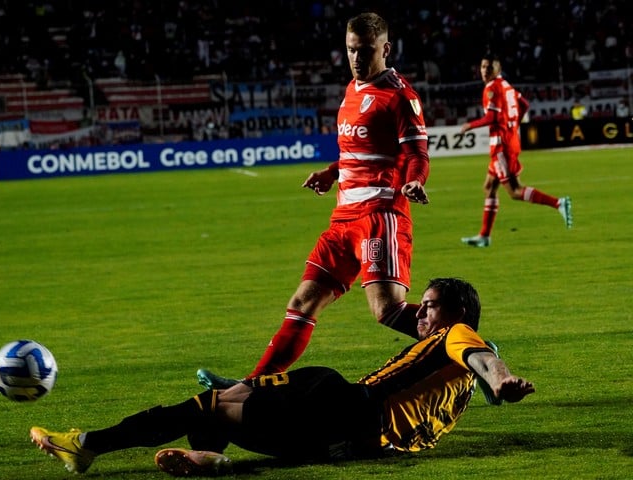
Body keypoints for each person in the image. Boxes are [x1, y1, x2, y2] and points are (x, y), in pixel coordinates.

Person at [29, 278, 535, 477]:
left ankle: (87, 445)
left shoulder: (457, 335)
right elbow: (482, 366)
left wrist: (501, 380)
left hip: (352, 407)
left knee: (229, 400)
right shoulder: (453, 373)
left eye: (429, 306)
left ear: (456, 313)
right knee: (220, 412)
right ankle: (213, 458)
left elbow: (485, 359)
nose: (419, 313)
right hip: (354, 444)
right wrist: (494, 385)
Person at [198, 11, 431, 390]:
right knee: (303, 302)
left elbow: (418, 153)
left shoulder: (400, 96)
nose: (357, 58)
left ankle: (473, 349)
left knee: (388, 310)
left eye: (365, 50)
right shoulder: (352, 90)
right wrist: (332, 172)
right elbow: (358, 151)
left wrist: (415, 180)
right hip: (342, 220)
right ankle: (250, 388)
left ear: (385, 49)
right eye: (351, 50)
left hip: (378, 215)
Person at [460, 53, 573, 248]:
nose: (485, 71)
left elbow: (493, 118)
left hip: (501, 146)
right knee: (489, 187)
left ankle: (558, 203)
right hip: (509, 141)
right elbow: (524, 105)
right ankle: (484, 236)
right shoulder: (507, 86)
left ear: (498, 68)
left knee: (514, 191)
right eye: (483, 67)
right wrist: (513, 126)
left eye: (489, 67)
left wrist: (469, 125)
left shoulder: (492, 87)